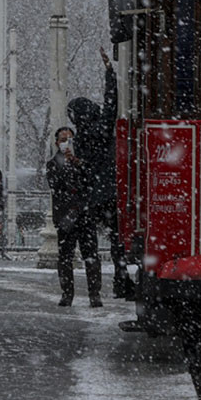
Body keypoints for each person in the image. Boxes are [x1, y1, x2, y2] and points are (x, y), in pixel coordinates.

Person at [66, 47, 134, 299]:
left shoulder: (81, 137)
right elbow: (111, 103)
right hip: (111, 192)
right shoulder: (103, 129)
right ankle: (121, 279)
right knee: (118, 241)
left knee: (90, 243)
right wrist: (109, 73)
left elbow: (83, 168)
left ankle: (95, 287)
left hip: (92, 196)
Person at [47, 126, 102, 307]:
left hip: (85, 214)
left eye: (69, 139)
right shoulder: (53, 164)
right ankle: (67, 293)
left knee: (91, 255)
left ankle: (94, 294)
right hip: (66, 217)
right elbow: (56, 186)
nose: (66, 143)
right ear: (57, 143)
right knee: (65, 257)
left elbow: (91, 183)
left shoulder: (83, 162)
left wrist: (77, 164)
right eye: (63, 140)